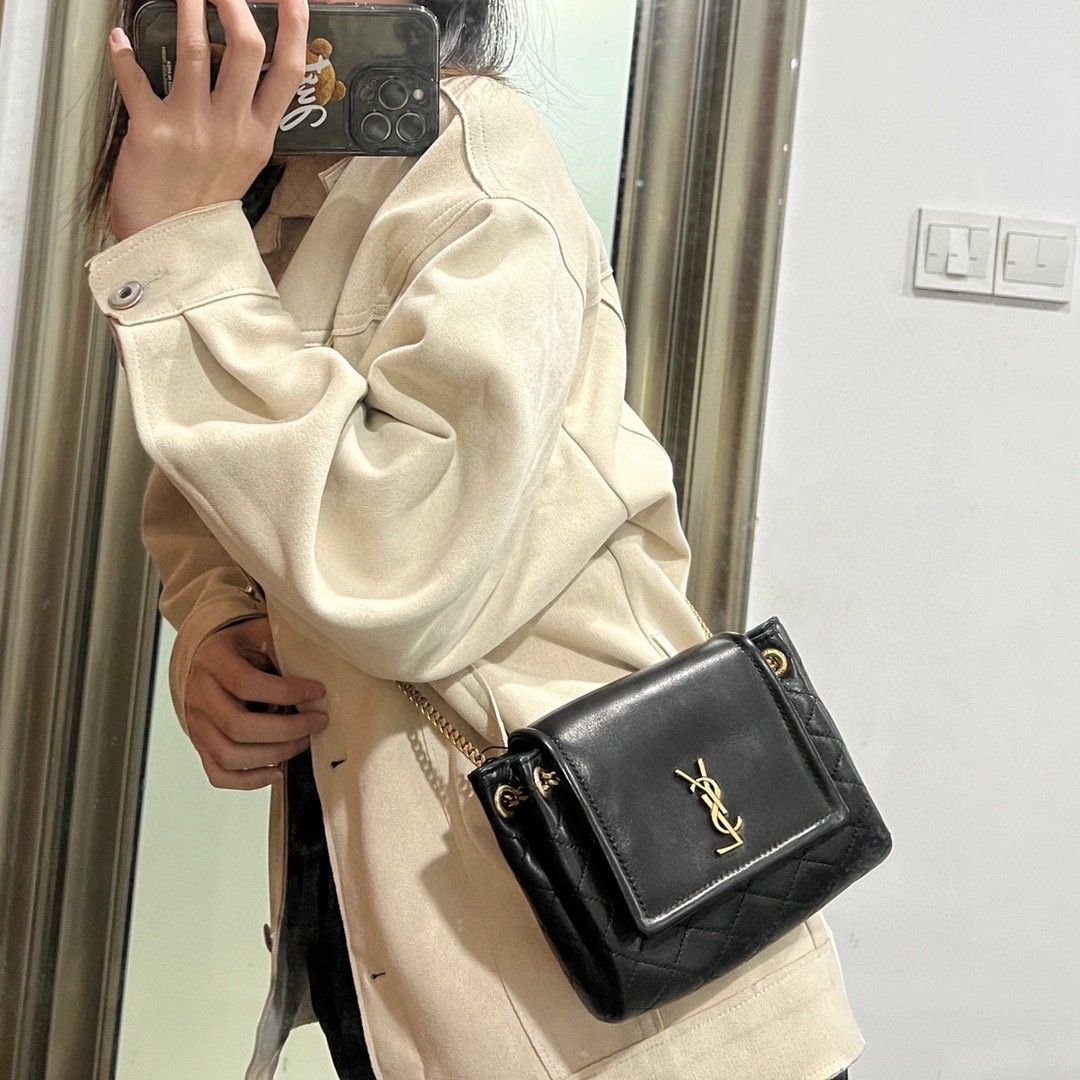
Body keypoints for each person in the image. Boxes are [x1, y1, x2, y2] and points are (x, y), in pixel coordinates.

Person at [86, 1, 861, 1077]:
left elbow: (394, 563)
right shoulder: (265, 195)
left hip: (626, 952)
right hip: (426, 948)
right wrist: (215, 633)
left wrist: (178, 252)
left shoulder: (472, 156)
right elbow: (206, 506)